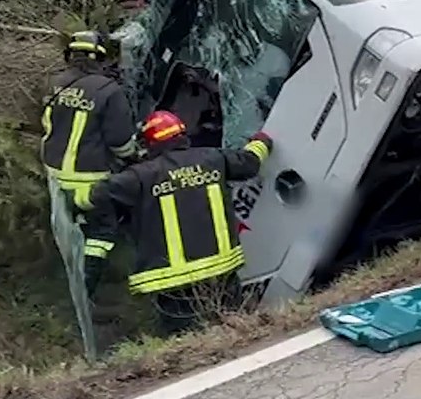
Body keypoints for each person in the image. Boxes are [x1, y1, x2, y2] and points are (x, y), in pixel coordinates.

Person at [72, 110, 272, 336]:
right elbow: (250, 162)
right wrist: (261, 142)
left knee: (185, 338)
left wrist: (73, 198)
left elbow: (96, 197)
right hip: (221, 269)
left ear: (148, 144)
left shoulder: (138, 177)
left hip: (172, 280)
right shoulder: (213, 159)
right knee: (232, 328)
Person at [42, 30, 141, 295]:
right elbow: (120, 142)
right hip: (90, 182)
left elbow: (47, 125)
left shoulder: (54, 84)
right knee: (103, 234)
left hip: (55, 178)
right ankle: (85, 287)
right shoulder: (109, 91)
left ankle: (62, 277)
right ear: (100, 58)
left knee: (71, 227)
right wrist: (134, 157)